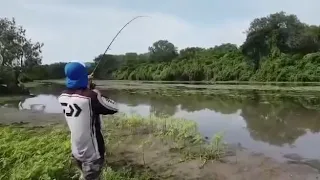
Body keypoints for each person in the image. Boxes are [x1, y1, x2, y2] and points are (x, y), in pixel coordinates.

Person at [58, 61, 118, 180]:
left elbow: (77, 95)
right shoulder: (91, 97)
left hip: (76, 150)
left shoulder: (62, 96)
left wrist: (86, 85)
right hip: (92, 153)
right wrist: (96, 92)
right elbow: (113, 107)